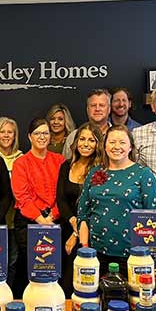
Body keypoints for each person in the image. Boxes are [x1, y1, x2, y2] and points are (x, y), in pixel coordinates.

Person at [78, 125, 156, 275]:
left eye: (122, 142)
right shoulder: (94, 172)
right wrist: (85, 247)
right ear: (104, 146)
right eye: (112, 142)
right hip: (96, 254)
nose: (117, 146)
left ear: (131, 147)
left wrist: (152, 258)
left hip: (133, 256)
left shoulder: (143, 174)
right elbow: (83, 214)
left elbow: (154, 219)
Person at [11, 118, 66, 296]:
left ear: (50, 137)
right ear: (29, 136)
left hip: (56, 219)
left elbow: (63, 193)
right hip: (29, 221)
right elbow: (22, 196)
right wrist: (42, 220)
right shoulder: (21, 162)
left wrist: (53, 216)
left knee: (54, 267)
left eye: (45, 133)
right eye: (37, 133)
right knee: (30, 267)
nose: (41, 137)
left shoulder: (60, 161)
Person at [56, 122, 101, 297]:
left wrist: (76, 234)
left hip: (88, 232)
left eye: (91, 140)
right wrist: (72, 222)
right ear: (75, 142)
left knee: (80, 282)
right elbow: (60, 199)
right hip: (67, 226)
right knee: (63, 282)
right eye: (82, 139)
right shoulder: (66, 166)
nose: (86, 144)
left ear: (98, 144)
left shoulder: (100, 170)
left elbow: (94, 205)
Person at [0, 116, 24, 288]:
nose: (5, 135)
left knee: (12, 259)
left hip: (15, 218)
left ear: (15, 135)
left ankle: (8, 292)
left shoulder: (22, 158)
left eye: (10, 132)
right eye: (2, 131)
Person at [62, 89, 111, 160]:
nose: (97, 109)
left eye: (102, 105)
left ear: (109, 109)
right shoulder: (73, 136)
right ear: (87, 109)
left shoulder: (119, 136)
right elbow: (66, 165)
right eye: (93, 105)